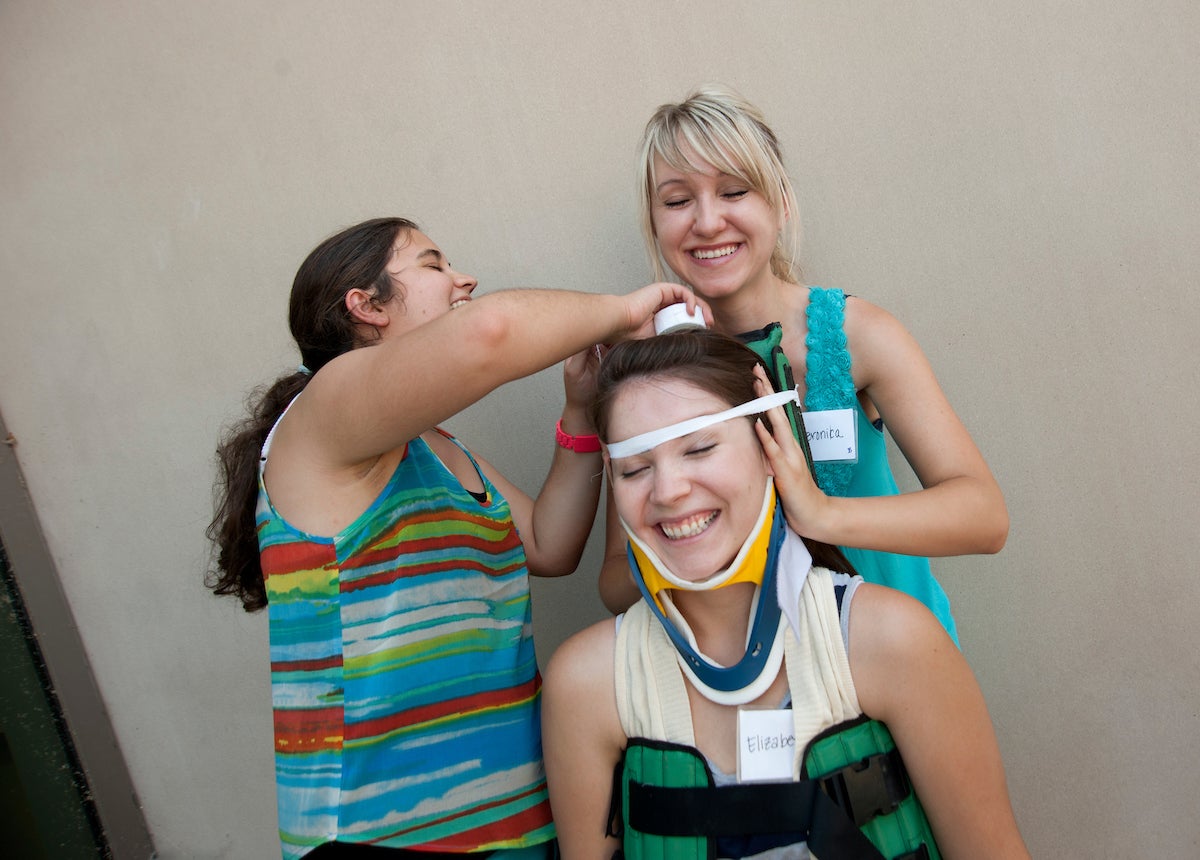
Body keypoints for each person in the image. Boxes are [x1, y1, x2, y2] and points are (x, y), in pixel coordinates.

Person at [206, 217, 707, 860]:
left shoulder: (435, 447)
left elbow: (550, 546)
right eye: (434, 263)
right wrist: (622, 311)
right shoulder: (322, 412)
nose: (463, 278)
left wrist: (580, 410)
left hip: (516, 823)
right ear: (366, 306)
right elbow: (489, 334)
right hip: (379, 834)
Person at [542, 330, 1028, 859]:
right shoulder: (586, 686)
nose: (668, 490)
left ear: (771, 446)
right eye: (637, 468)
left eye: (700, 448)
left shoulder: (893, 642)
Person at [599, 86, 1009, 643]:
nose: (708, 221)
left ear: (780, 201)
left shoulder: (855, 335)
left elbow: (984, 517)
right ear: (653, 222)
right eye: (676, 201)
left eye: (734, 191)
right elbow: (616, 585)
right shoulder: (644, 373)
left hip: (895, 662)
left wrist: (820, 514)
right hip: (750, 691)